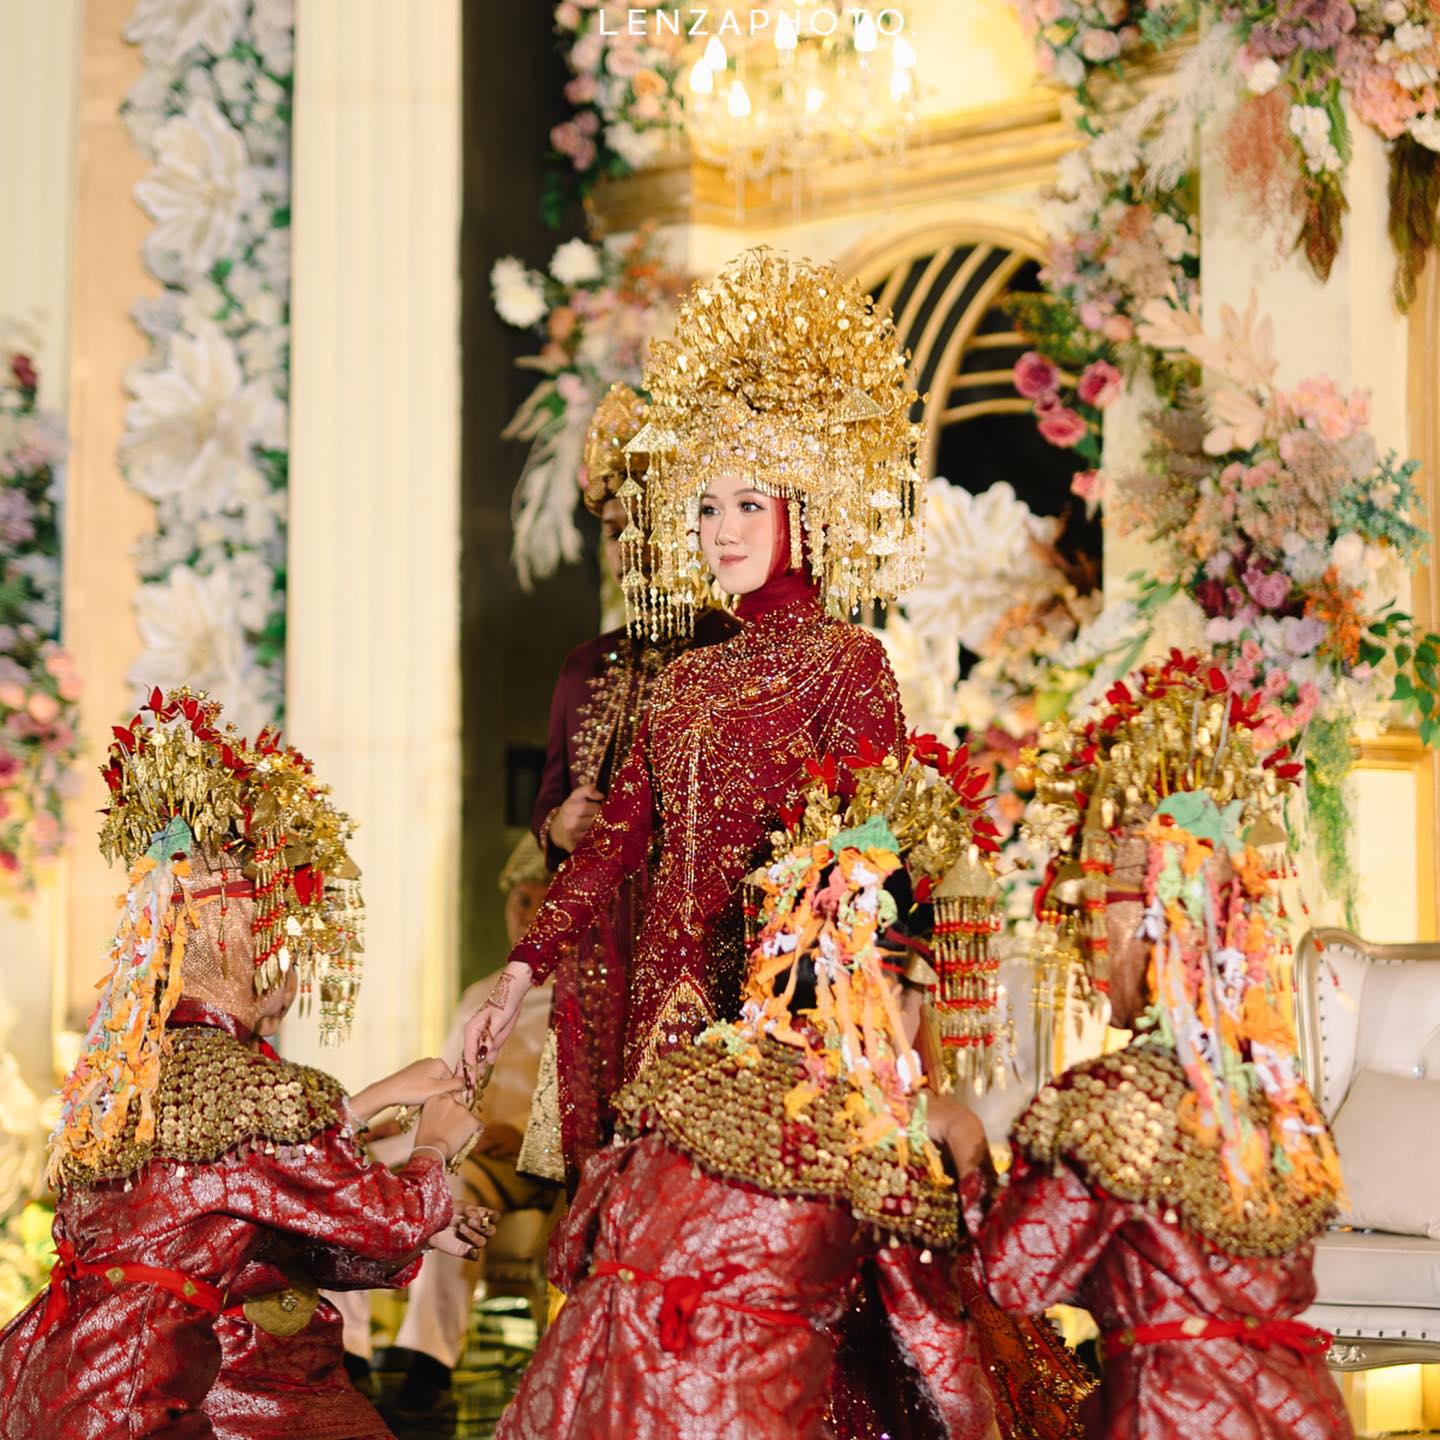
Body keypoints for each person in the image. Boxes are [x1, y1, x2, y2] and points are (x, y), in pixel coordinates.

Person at [464, 248, 926, 1100]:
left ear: (803, 510)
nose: (723, 531)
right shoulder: (688, 678)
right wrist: (518, 974)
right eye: (708, 507)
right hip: (662, 1006)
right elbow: (615, 843)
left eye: (749, 505)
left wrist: (804, 1001)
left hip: (780, 1015)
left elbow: (870, 862)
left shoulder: (849, 664)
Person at [495, 737, 1018, 1440]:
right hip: (732, 1408)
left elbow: (568, 1254)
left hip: (588, 1393)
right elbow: (937, 1350)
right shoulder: (870, 1133)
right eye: (915, 996)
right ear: (884, 992)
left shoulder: (676, 1086)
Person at [0, 689, 483, 1440]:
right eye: (288, 936)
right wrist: (434, 1147)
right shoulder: (248, 1090)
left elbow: (262, 1233)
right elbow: (382, 1222)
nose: (293, 972)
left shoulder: (127, 1073)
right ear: (236, 933)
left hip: (55, 1377)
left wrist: (423, 1219)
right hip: (133, 1399)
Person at [933, 654, 1354, 1440]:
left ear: (1149, 920)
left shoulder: (1112, 1100)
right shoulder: (1279, 1095)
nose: (1093, 962)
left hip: (1174, 1411)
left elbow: (1013, 1277)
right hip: (1302, 1411)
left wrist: (962, 1139)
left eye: (1097, 921)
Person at [525, 381, 736, 1191]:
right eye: (614, 532)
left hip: (696, 926)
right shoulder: (584, 665)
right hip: (599, 932)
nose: (627, 550)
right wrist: (558, 828)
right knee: (596, 1125)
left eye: (643, 527)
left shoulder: (730, 648)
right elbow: (548, 797)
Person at [206, 965, 497, 1440]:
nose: (289, 987)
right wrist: (430, 1151)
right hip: (215, 1362)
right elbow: (301, 1192)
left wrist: (423, 1230)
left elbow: (305, 1233)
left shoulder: (264, 1078)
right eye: (270, 962)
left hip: (282, 1350)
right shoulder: (207, 1081)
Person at [380, 835, 562, 1420]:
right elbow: (444, 1081)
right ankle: (353, 1352)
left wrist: (525, 1135)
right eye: (520, 901)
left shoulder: (580, 995)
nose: (526, 915)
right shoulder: (480, 994)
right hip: (472, 1150)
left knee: (447, 1189)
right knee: (362, 1171)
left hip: (538, 1161)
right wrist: (392, 1117)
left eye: (541, 903)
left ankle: (427, 1365)